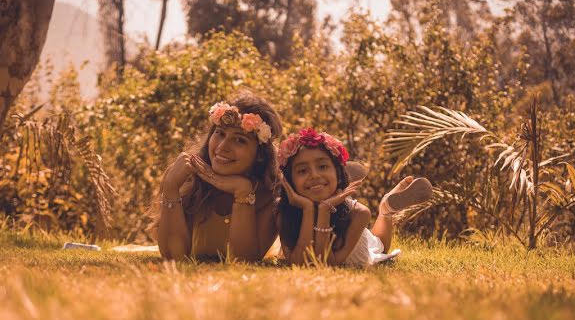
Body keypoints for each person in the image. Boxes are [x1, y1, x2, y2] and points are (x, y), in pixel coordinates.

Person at [152, 93, 283, 261]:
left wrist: (242, 191)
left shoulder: (271, 194)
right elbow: (173, 256)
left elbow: (241, 261)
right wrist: (170, 188)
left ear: (260, 154)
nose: (222, 147)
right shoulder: (190, 180)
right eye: (220, 133)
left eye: (239, 140)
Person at [276, 128, 433, 267]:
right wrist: (308, 209)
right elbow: (297, 262)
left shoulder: (358, 213)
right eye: (303, 171)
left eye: (322, 166)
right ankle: (335, 180)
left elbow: (327, 263)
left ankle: (386, 209)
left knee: (379, 246)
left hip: (355, 236)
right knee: (320, 183)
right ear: (289, 180)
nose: (314, 175)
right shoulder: (283, 211)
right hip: (321, 196)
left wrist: (324, 210)